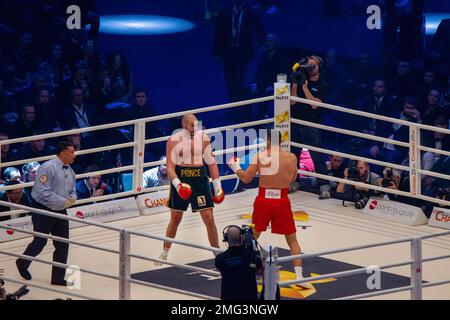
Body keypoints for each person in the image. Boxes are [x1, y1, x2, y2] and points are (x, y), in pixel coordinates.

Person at [228, 130, 312, 287]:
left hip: (264, 200)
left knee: (252, 238)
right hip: (282, 200)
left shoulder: (260, 156)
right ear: (280, 141)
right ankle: (299, 276)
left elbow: (246, 178)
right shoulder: (291, 157)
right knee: (292, 239)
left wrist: (235, 167)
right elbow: (293, 178)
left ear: (267, 140)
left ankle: (242, 271)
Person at [157, 114, 225, 264]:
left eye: (196, 125)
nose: (195, 128)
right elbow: (170, 168)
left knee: (209, 218)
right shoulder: (174, 141)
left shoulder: (204, 138)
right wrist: (178, 185)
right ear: (184, 125)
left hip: (200, 179)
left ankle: (217, 253)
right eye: (191, 125)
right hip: (181, 178)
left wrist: (217, 187)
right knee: (175, 219)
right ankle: (164, 251)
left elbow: (211, 163)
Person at [16, 141, 77, 286]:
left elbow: (72, 188)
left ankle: (57, 278)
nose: (74, 155)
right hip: (43, 209)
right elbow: (42, 191)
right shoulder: (47, 167)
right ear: (62, 152)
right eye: (71, 152)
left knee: (63, 244)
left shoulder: (70, 170)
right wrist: (62, 201)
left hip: (61, 209)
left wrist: (72, 197)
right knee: (40, 242)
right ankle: (22, 263)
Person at [290, 55, 330, 199]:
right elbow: (292, 102)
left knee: (317, 157)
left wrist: (306, 89)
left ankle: (324, 186)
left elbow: (314, 105)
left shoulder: (323, 84)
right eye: (309, 65)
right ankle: (294, 182)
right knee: (294, 155)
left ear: (319, 68)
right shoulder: (301, 78)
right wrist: (295, 82)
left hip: (312, 125)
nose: (311, 67)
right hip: (296, 122)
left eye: (314, 65)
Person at [213, 0, 265, 102]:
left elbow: (259, 29)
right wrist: (216, 52)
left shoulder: (250, 12)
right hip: (228, 52)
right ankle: (233, 104)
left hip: (242, 53)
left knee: (238, 80)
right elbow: (218, 32)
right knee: (229, 80)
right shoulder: (225, 11)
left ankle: (237, 106)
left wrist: (262, 44)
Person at [215, 225, 262, 300]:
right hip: (250, 297)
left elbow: (221, 269)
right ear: (241, 238)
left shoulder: (220, 258)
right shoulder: (251, 255)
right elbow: (259, 273)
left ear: (226, 239)